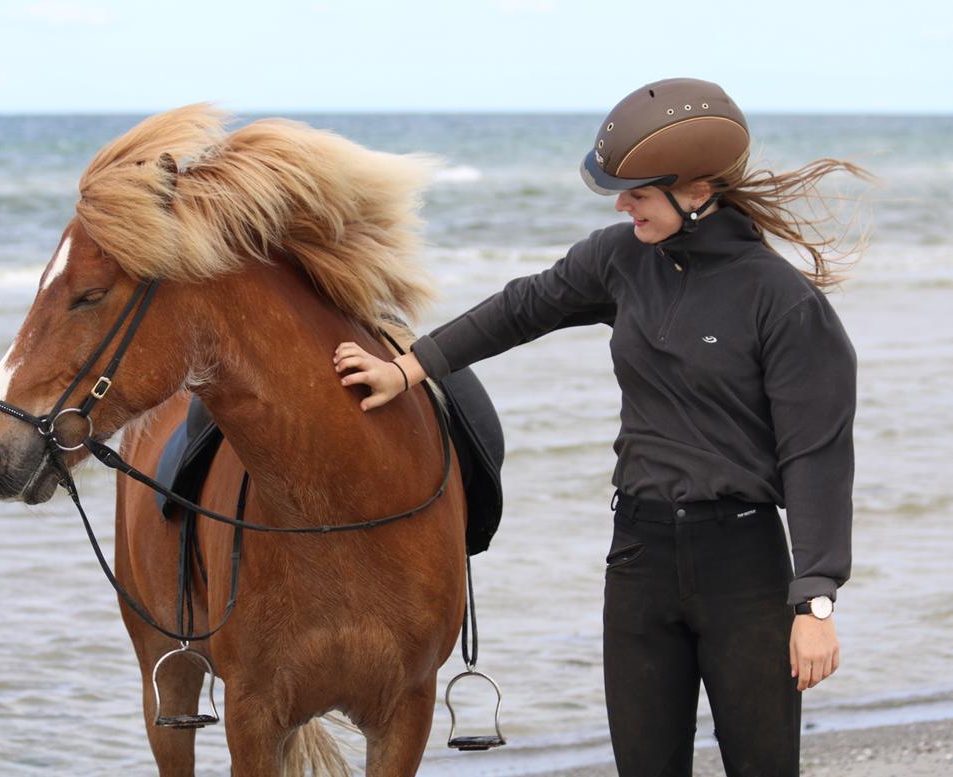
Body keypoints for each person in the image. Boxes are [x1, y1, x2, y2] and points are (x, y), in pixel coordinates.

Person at [332, 78, 868, 776]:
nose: (623, 205)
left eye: (638, 192)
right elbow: (523, 307)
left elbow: (817, 457)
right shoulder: (621, 259)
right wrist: (410, 367)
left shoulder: (783, 302)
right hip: (639, 557)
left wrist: (815, 599)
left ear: (696, 188)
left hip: (744, 566)